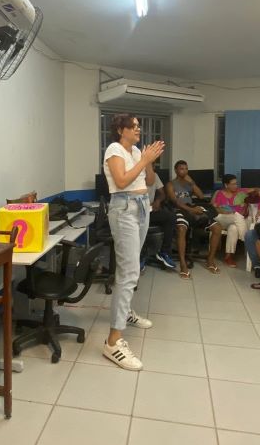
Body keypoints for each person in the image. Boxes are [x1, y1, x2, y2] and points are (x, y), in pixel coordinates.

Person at [101, 113, 164, 371]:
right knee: (128, 273)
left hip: (141, 207)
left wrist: (148, 162)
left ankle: (125, 311)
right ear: (121, 130)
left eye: (139, 126)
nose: (139, 129)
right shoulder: (114, 149)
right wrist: (144, 160)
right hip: (124, 207)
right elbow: (122, 181)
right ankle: (113, 341)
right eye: (135, 126)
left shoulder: (137, 150)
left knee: (132, 267)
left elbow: (148, 181)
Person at [165, 160, 222, 279]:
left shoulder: (189, 183)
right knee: (181, 229)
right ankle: (183, 265)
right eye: (181, 169)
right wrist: (192, 210)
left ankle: (210, 260)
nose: (184, 171)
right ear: (176, 170)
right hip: (179, 210)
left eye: (186, 169)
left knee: (217, 228)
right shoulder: (170, 184)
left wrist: (192, 182)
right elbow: (175, 202)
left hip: (192, 209)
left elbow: (201, 195)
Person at [211, 174, 256, 268]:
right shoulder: (219, 193)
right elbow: (213, 208)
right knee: (236, 215)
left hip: (235, 222)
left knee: (234, 228)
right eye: (233, 184)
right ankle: (246, 239)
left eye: (236, 183)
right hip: (222, 219)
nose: (236, 186)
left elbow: (257, 189)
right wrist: (223, 211)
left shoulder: (241, 191)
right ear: (226, 185)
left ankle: (228, 256)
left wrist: (259, 192)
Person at [144, 173, 176, 269]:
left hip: (150, 210)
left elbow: (162, 193)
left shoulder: (154, 175)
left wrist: (158, 200)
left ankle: (164, 252)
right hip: (137, 212)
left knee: (170, 217)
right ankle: (141, 256)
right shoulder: (135, 173)